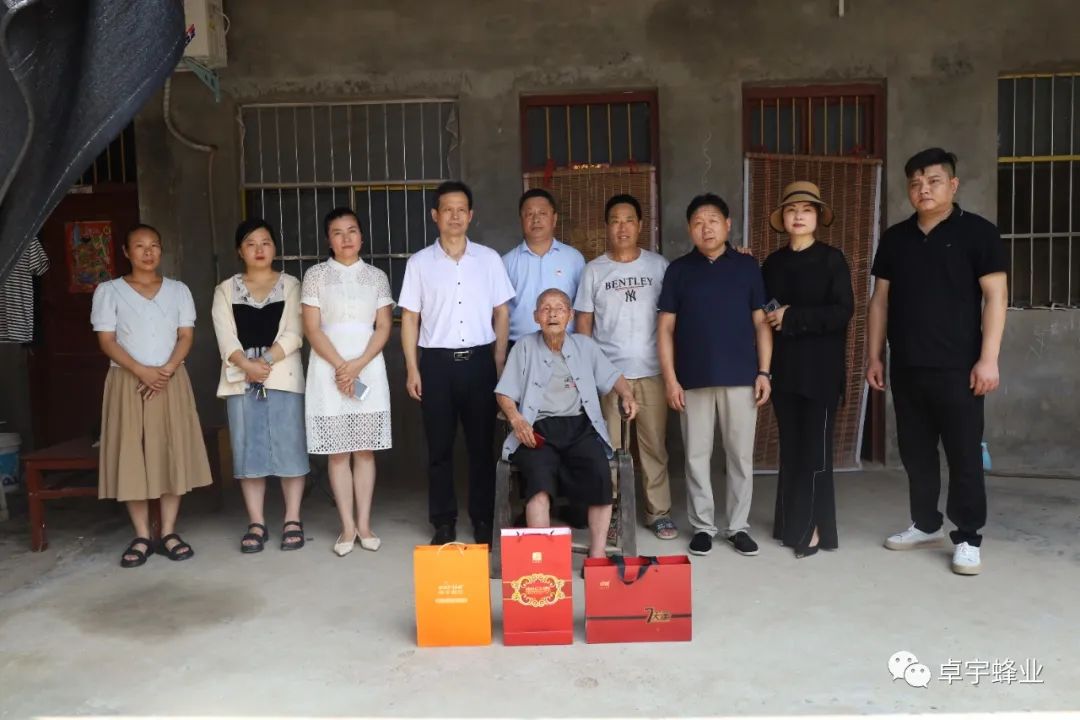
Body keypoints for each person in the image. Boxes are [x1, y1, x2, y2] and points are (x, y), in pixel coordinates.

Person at [867, 148, 1007, 576]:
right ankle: (926, 522)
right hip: (907, 366)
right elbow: (880, 302)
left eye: (932, 181)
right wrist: (875, 355)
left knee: (964, 454)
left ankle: (968, 536)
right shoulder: (895, 238)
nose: (923, 189)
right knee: (916, 452)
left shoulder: (979, 234)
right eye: (914, 183)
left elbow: (996, 297)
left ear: (953, 184)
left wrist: (989, 359)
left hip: (960, 367)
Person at [399, 181, 516, 546]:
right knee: (439, 449)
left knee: (483, 448)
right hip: (436, 364)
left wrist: (498, 360)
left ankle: (483, 519)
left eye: (461, 209)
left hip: (481, 362)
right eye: (446, 209)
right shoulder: (419, 263)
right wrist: (413, 369)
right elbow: (410, 319)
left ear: (471, 215)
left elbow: (502, 312)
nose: (454, 216)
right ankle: (443, 522)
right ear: (435, 216)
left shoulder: (489, 259)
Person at [657, 193, 773, 558]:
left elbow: (761, 323)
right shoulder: (678, 270)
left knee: (740, 456)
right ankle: (703, 526)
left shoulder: (747, 267)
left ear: (727, 225)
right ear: (689, 229)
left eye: (712, 220)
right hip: (693, 378)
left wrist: (765, 371)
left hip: (741, 376)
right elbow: (664, 329)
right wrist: (671, 379)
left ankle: (738, 526)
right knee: (696, 455)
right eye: (697, 222)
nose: (705, 228)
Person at [91, 224, 213, 567]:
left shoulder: (178, 290)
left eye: (154, 246)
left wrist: (167, 369)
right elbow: (106, 341)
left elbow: (186, 336)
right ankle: (142, 534)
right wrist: (141, 370)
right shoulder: (109, 291)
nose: (148, 252)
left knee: (170, 452)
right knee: (133, 454)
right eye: (140, 246)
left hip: (170, 379)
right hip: (127, 382)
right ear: (127, 253)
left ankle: (170, 531)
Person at [495, 288, 638, 558]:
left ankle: (597, 556)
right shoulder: (524, 347)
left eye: (559, 308)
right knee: (538, 485)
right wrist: (516, 419)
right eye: (546, 309)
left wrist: (627, 394)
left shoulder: (585, 346)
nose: (552, 314)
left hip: (579, 428)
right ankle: (544, 560)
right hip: (537, 431)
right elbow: (504, 392)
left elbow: (613, 375)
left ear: (570, 315)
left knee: (599, 475)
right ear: (536, 316)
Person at [574, 193, 675, 540]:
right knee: (609, 451)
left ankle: (658, 512)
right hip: (608, 376)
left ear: (641, 225)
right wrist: (590, 375)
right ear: (606, 227)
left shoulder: (659, 267)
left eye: (629, 220)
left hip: (651, 372)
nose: (622, 227)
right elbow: (583, 325)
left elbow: (670, 321)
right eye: (615, 220)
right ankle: (613, 513)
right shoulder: (594, 270)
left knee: (653, 447)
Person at [761, 182, 853, 558]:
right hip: (784, 369)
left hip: (821, 371)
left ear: (817, 218)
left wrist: (792, 316)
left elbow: (842, 312)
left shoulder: (832, 259)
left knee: (815, 450)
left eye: (807, 210)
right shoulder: (773, 263)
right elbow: (763, 303)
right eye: (791, 210)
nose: (798, 215)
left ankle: (814, 529)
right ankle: (789, 522)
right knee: (792, 448)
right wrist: (773, 312)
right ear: (783, 219)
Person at [212, 218, 310, 553]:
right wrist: (246, 366)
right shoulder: (225, 290)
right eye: (251, 243)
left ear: (275, 248)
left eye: (265, 242)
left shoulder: (292, 285)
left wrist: (264, 363)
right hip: (241, 380)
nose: (259, 249)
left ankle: (292, 519)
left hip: (282, 376)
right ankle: (256, 522)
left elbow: (297, 332)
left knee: (289, 447)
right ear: (240, 250)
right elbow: (225, 336)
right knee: (248, 451)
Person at [302, 207, 394, 556]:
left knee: (364, 449)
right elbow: (312, 328)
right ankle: (346, 527)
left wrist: (357, 365)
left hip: (367, 365)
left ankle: (366, 524)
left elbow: (383, 326)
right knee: (338, 452)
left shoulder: (376, 277)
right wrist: (342, 367)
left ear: (361, 236)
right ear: (329, 239)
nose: (346, 238)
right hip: (329, 368)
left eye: (352, 231)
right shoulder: (316, 276)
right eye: (337, 232)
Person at [502, 188, 585, 347]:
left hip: (566, 345)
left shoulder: (574, 259)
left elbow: (583, 309)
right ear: (521, 220)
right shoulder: (506, 263)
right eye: (529, 214)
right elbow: (499, 314)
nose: (536, 219)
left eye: (542, 213)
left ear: (554, 219)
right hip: (519, 347)